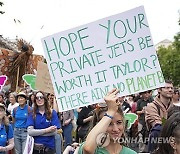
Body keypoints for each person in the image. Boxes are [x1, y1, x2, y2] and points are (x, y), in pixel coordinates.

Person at [78, 88, 137, 154]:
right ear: (99, 125)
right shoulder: (94, 150)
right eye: (109, 124)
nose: (115, 129)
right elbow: (88, 149)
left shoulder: (131, 153)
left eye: (119, 122)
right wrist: (110, 111)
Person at [145, 80, 174, 153]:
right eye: (167, 88)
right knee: (157, 129)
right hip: (157, 142)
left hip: (174, 143)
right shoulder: (151, 106)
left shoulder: (175, 108)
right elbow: (157, 124)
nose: (170, 90)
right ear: (159, 90)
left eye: (171, 88)